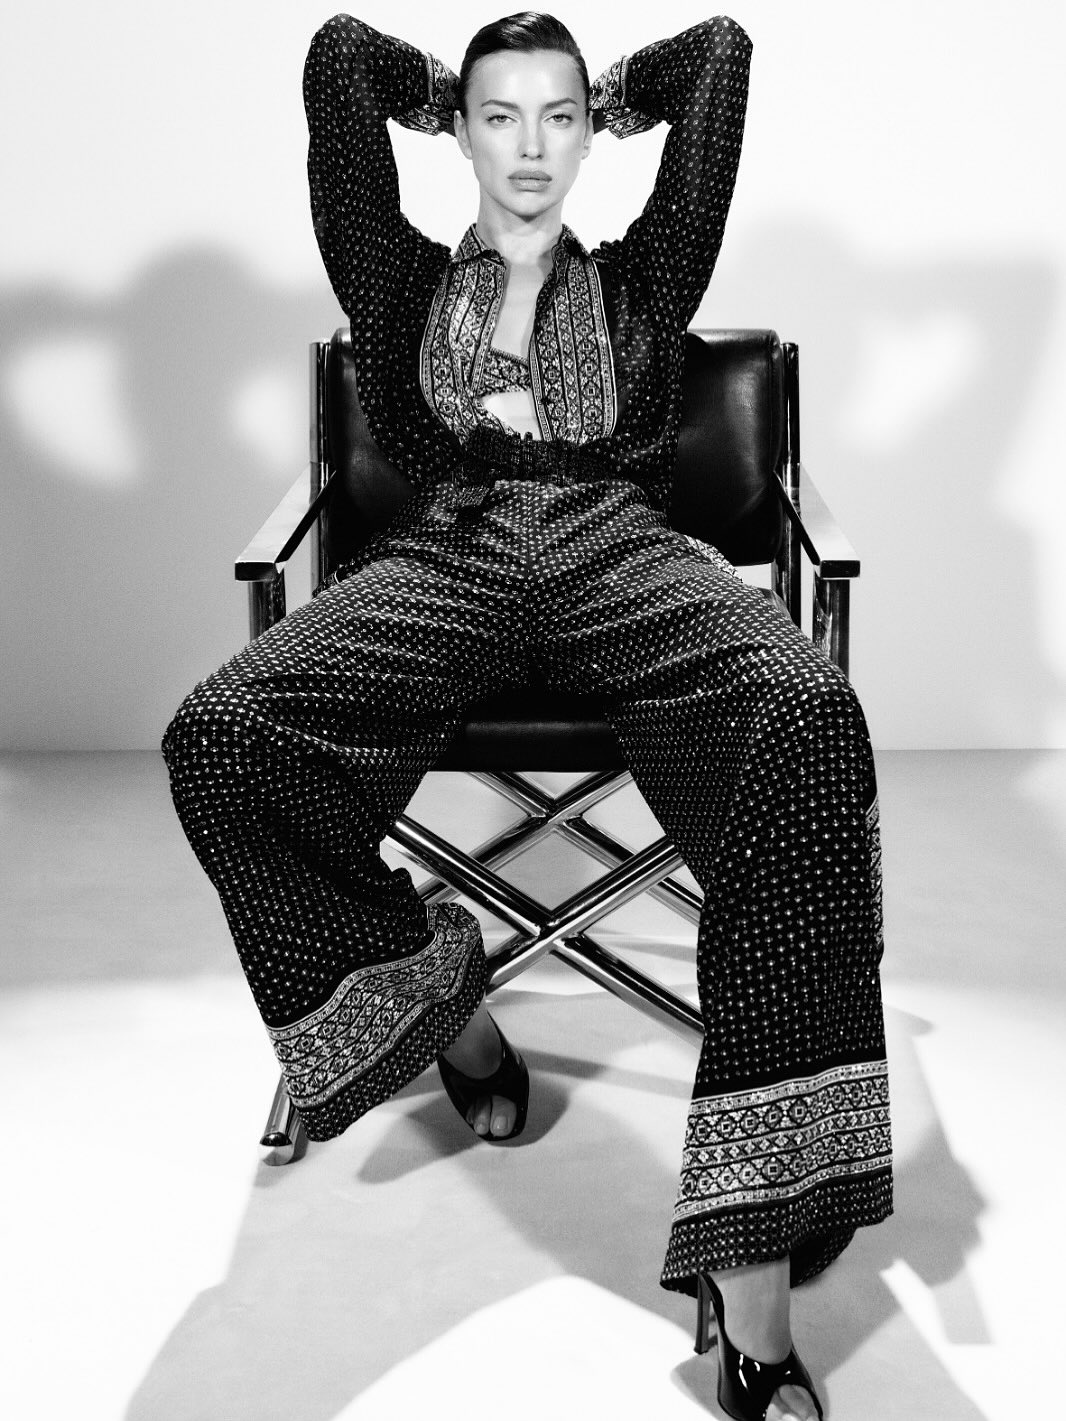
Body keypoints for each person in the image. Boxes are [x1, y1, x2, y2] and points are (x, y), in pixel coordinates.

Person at [163, 12, 892, 1419]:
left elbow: (721, 55)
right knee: (223, 734)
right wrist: (450, 86)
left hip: (622, 552)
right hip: (449, 554)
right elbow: (336, 63)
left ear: (589, 133)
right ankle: (445, 1003)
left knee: (808, 713)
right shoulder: (395, 281)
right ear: (461, 134)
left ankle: (751, 1268)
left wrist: (608, 89)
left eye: (558, 118)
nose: (533, 149)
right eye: (501, 119)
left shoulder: (644, 277)